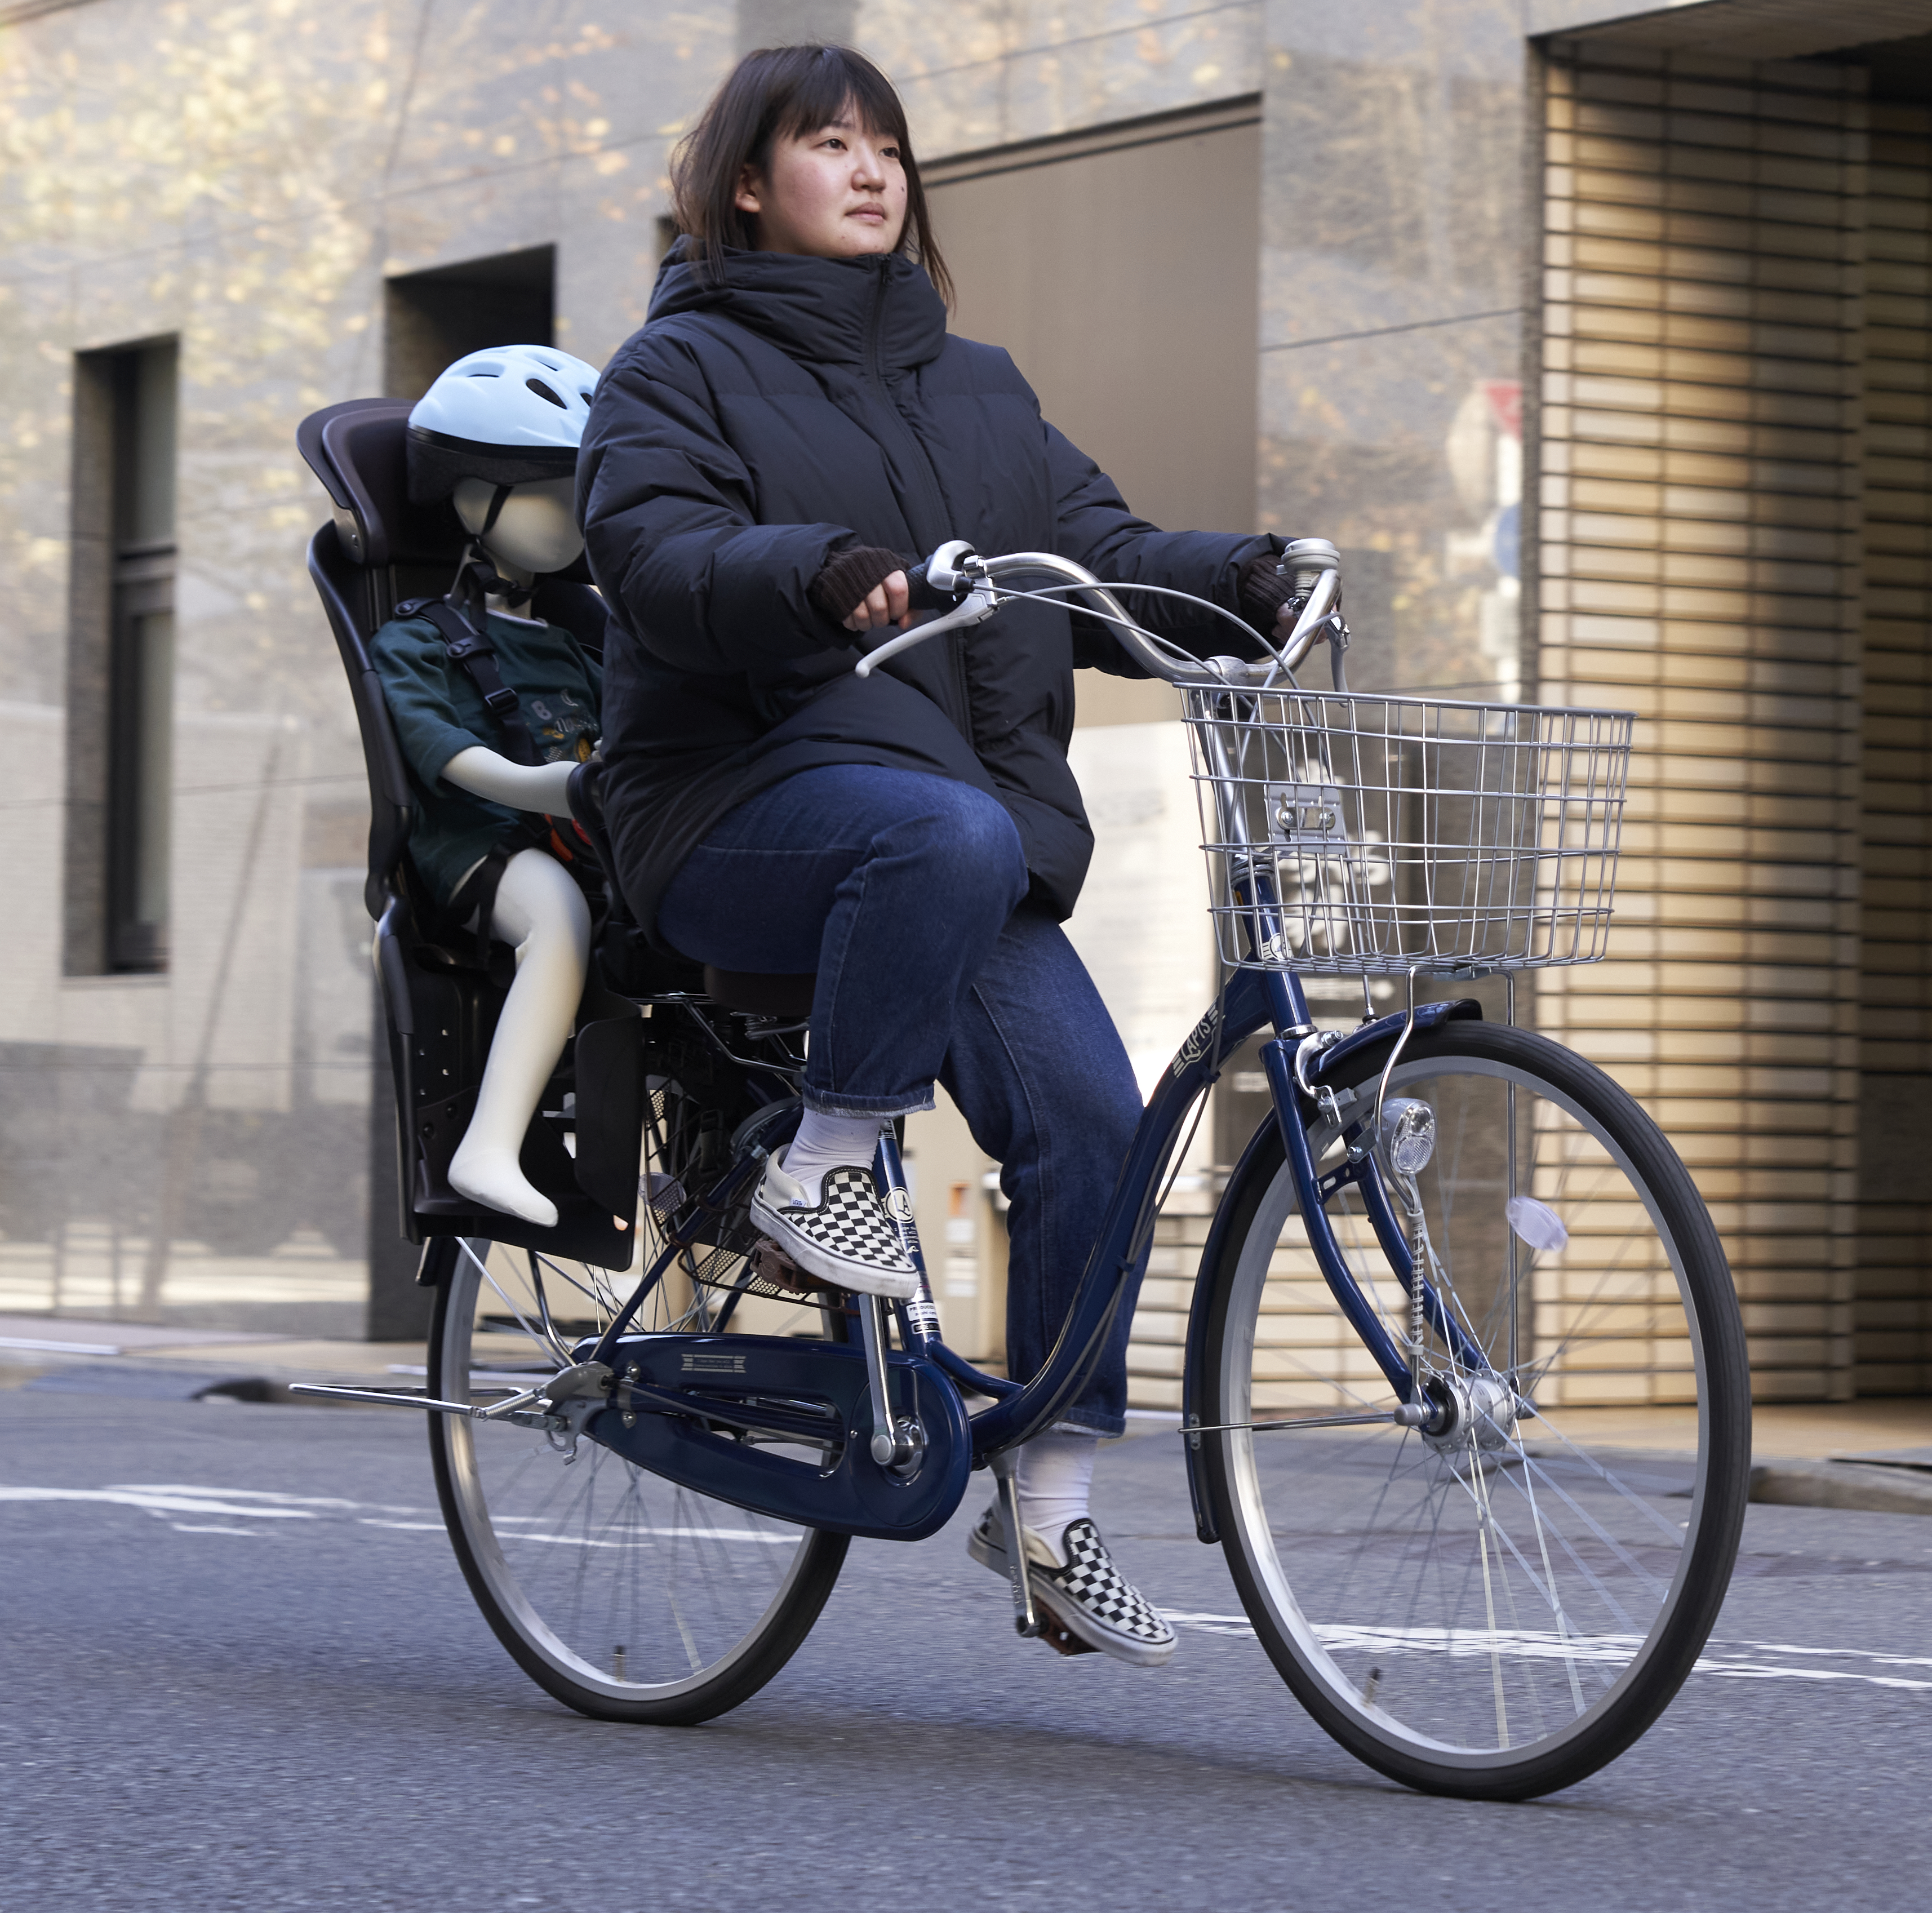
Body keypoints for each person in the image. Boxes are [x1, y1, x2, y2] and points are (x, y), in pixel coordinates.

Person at [576, 45, 1318, 1665]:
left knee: (1098, 1129)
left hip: (947, 845)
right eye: (827, 141)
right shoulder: (674, 368)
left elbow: (1097, 555)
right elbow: (652, 554)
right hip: (734, 809)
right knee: (948, 827)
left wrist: (1240, 578)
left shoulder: (976, 381)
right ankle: (828, 1154)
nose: (870, 168)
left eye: (889, 146)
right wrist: (816, 568)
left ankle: (1045, 1501)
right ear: (747, 183)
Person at [371, 344, 606, 1229]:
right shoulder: (419, 641)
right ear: (473, 494)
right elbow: (453, 759)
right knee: (560, 916)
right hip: (478, 844)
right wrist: (557, 788)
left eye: (582, 493)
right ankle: (490, 1143)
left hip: (589, 829)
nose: (574, 516)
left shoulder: (587, 633)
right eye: (550, 491)